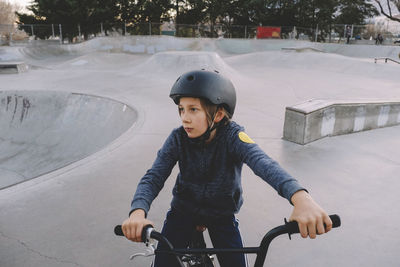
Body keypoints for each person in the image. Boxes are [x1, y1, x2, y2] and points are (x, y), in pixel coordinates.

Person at [121, 70, 333, 267]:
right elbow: (154, 176)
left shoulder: (234, 137)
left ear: (219, 115)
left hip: (221, 215)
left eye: (193, 109)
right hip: (182, 212)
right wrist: (138, 212)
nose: (184, 117)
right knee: (163, 263)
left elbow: (264, 163)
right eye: (181, 109)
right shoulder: (178, 138)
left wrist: (301, 198)